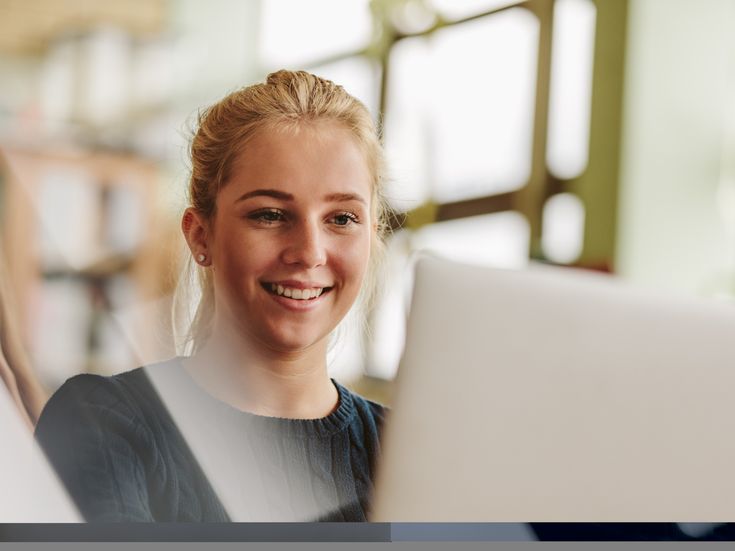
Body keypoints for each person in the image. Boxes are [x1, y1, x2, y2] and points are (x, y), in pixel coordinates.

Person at [34, 70, 390, 522]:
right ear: (201, 235)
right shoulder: (102, 424)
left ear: (372, 235)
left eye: (341, 219)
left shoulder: (409, 454)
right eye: (269, 214)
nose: (309, 253)